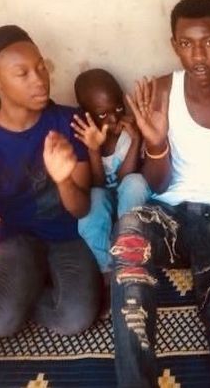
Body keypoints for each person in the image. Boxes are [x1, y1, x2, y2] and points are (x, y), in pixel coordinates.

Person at [108, 0, 210, 387]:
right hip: (170, 216)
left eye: (209, 42)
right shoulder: (161, 92)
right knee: (130, 233)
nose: (198, 55)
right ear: (174, 46)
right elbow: (158, 183)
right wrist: (156, 144)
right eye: (187, 43)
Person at [0, 25, 101, 337]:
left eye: (41, 67)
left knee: (74, 319)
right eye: (22, 73)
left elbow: (81, 209)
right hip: (18, 239)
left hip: (69, 236)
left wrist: (64, 180)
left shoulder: (69, 122)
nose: (39, 79)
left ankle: (15, 294)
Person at [72, 68, 150, 276]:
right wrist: (94, 149)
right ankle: (106, 268)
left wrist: (136, 140)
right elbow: (97, 184)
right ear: (86, 113)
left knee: (136, 182)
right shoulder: (83, 137)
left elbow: (125, 179)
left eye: (118, 108)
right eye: (102, 114)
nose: (114, 118)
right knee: (94, 198)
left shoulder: (129, 132)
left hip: (128, 200)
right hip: (104, 200)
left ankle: (130, 259)